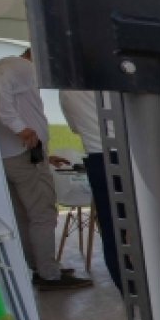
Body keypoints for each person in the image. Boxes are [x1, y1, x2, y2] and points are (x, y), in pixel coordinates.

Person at [0, 48, 92, 290]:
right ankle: (49, 273)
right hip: (24, 156)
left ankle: (39, 267)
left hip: (11, 156)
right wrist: (20, 128)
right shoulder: (19, 67)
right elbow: (2, 92)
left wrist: (45, 155)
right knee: (43, 215)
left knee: (24, 216)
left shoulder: (12, 68)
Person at [59, 90, 122, 292]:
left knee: (112, 230)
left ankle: (128, 292)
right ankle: (152, 291)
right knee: (145, 226)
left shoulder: (67, 89)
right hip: (126, 153)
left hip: (96, 158)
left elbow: (75, 127)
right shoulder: (107, 77)